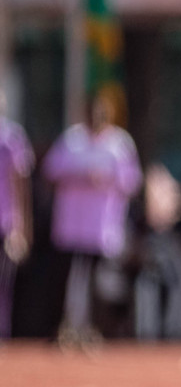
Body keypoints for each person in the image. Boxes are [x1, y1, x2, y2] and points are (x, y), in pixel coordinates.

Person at [42, 89, 142, 344]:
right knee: (68, 281)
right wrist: (82, 175)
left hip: (101, 230)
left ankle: (93, 329)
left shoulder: (120, 143)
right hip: (71, 228)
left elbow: (132, 181)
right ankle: (66, 329)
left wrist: (106, 178)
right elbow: (51, 171)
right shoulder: (71, 139)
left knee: (98, 283)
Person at [0, 89, 34, 340]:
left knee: (3, 283)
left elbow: (21, 184)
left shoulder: (11, 137)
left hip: (5, 222)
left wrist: (23, 227)